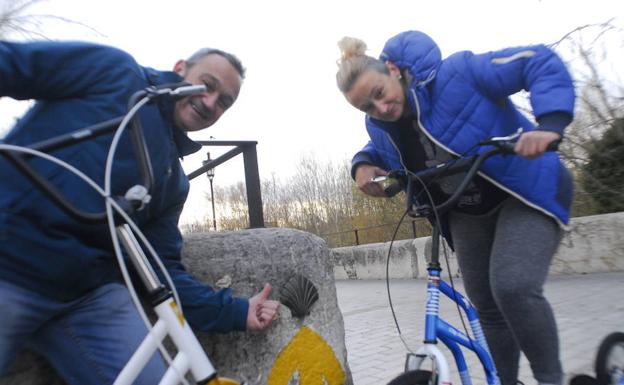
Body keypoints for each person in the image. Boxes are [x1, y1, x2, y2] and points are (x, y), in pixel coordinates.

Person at [0, 41, 279, 384]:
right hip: (9, 264)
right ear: (180, 69)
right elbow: (13, 64)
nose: (210, 103)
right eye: (207, 85)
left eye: (224, 102)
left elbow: (160, 268)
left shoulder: (173, 182)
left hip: (87, 295)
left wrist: (235, 311)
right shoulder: (114, 72)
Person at [335, 31, 575, 385]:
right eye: (367, 107)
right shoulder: (382, 125)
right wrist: (361, 165)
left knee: (512, 286)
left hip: (525, 192)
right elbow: (378, 148)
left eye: (380, 94)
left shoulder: (458, 73)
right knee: (486, 305)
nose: (380, 109)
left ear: (392, 70)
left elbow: (535, 60)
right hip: (465, 209)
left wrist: (551, 123)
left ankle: (551, 379)